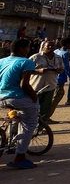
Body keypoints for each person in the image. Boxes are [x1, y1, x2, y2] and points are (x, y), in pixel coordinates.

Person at [0, 39, 40, 169]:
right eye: (28, 48)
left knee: (15, 114)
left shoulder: (2, 61)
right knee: (29, 123)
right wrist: (34, 97)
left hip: (1, 96)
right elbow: (24, 85)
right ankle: (20, 157)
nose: (29, 50)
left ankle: (11, 139)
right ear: (22, 49)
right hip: (16, 97)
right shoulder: (26, 61)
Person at [29, 41, 64, 123]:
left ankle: (41, 126)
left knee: (45, 108)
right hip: (35, 86)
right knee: (32, 107)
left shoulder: (58, 58)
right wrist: (38, 70)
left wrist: (60, 70)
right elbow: (26, 70)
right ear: (43, 47)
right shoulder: (35, 57)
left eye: (53, 46)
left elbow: (62, 69)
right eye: (48, 46)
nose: (51, 48)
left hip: (50, 86)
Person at [50, 37, 70, 121]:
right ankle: (46, 117)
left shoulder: (56, 51)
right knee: (56, 97)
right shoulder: (65, 54)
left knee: (53, 96)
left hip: (53, 77)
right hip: (60, 78)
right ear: (67, 44)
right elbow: (67, 68)